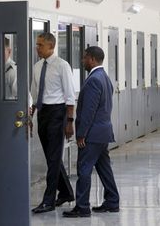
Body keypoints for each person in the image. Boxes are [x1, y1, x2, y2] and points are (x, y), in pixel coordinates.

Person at [63, 46, 120, 218]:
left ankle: (82, 206)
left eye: (85, 58)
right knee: (104, 168)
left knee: (84, 169)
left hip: (92, 134)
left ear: (93, 59)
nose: (83, 61)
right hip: (103, 133)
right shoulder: (104, 77)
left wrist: (81, 134)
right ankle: (112, 201)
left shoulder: (94, 79)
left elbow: (89, 111)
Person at [30, 32, 76, 214]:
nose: (37, 48)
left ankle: (48, 200)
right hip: (43, 113)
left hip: (58, 112)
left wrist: (70, 122)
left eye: (40, 45)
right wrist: (30, 118)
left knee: (54, 157)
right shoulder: (37, 66)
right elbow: (34, 93)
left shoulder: (62, 66)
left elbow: (70, 95)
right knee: (52, 157)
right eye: (36, 44)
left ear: (51, 46)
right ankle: (66, 192)